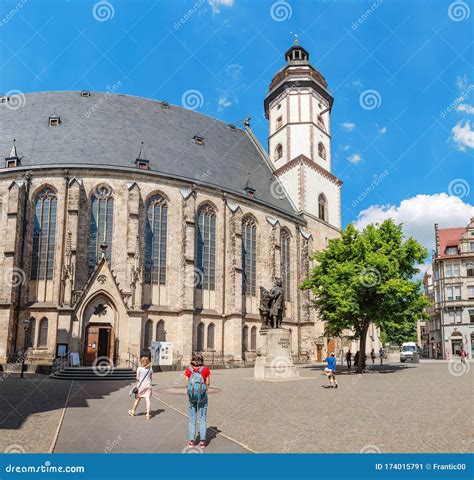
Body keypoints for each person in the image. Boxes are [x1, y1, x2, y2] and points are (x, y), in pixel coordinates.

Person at [185, 353, 211, 449]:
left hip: (192, 397)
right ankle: (203, 442)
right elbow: (208, 383)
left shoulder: (189, 370)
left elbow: (186, 384)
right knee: (202, 418)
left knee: (192, 419)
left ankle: (191, 441)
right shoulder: (205, 369)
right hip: (202, 396)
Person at [128, 355, 152, 419]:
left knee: (138, 398)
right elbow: (151, 378)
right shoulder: (150, 369)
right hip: (148, 386)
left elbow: (137, 378)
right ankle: (147, 414)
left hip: (141, 386)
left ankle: (133, 411)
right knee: (148, 399)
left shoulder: (139, 368)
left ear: (142, 362)